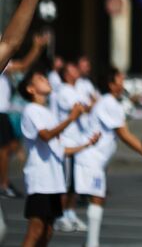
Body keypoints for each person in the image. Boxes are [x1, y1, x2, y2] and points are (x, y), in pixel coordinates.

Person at [72, 66, 142, 247]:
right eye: (120, 80)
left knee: (97, 198)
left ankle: (91, 242)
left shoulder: (111, 102)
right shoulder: (109, 103)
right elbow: (124, 134)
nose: (123, 83)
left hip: (94, 159)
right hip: (90, 158)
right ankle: (92, 243)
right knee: (96, 198)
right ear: (111, 84)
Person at [18, 68, 99, 247]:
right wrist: (71, 118)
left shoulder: (48, 113)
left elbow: (61, 150)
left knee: (48, 230)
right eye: (40, 78)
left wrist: (87, 144)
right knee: (36, 229)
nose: (46, 79)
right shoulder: (31, 110)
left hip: (54, 182)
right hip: (39, 180)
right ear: (31, 89)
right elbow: (45, 135)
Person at [51, 58, 97, 233]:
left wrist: (90, 105)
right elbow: (80, 109)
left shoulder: (77, 89)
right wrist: (90, 105)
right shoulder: (64, 91)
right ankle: (59, 216)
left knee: (76, 184)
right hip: (66, 141)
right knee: (66, 183)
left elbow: (87, 105)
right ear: (67, 75)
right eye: (73, 69)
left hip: (78, 141)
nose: (77, 71)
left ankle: (70, 213)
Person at [0, 33, 49, 196]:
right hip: (0, 112)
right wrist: (36, 48)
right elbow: (22, 66)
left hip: (3, 111)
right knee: (5, 149)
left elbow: (22, 65)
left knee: (9, 147)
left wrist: (37, 48)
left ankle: (4, 182)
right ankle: (3, 184)